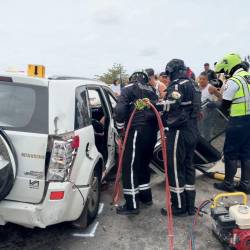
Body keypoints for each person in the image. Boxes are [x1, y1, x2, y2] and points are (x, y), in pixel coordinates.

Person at [158, 59, 201, 216]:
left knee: (175, 168)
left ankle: (178, 207)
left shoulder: (177, 84)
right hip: (192, 130)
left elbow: (173, 103)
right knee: (188, 166)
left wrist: (155, 105)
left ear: (172, 71)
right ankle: (190, 206)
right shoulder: (193, 84)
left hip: (178, 131)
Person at [114, 71, 158, 215]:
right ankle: (146, 198)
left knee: (130, 166)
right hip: (151, 133)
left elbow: (120, 110)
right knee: (143, 165)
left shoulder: (128, 89)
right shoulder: (151, 90)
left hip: (136, 131)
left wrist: (120, 128)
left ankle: (132, 205)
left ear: (132, 79)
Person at [213, 53, 250, 194]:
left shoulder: (234, 81)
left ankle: (228, 183)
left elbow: (225, 105)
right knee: (246, 153)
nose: (225, 73)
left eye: (225, 70)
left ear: (229, 66)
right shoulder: (248, 77)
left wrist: (213, 104)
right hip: (249, 120)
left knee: (230, 152)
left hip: (237, 121)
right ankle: (246, 185)